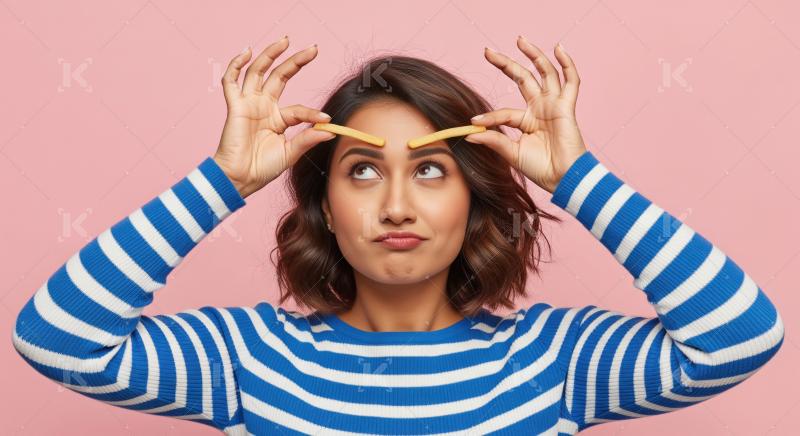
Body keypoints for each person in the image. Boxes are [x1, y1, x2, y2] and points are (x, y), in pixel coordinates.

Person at [11, 35, 784, 435]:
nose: (397, 207)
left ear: (476, 202)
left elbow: (740, 338)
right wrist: (224, 180)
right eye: (362, 172)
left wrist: (576, 175)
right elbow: (57, 341)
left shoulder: (556, 358)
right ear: (324, 206)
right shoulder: (250, 356)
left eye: (431, 171)